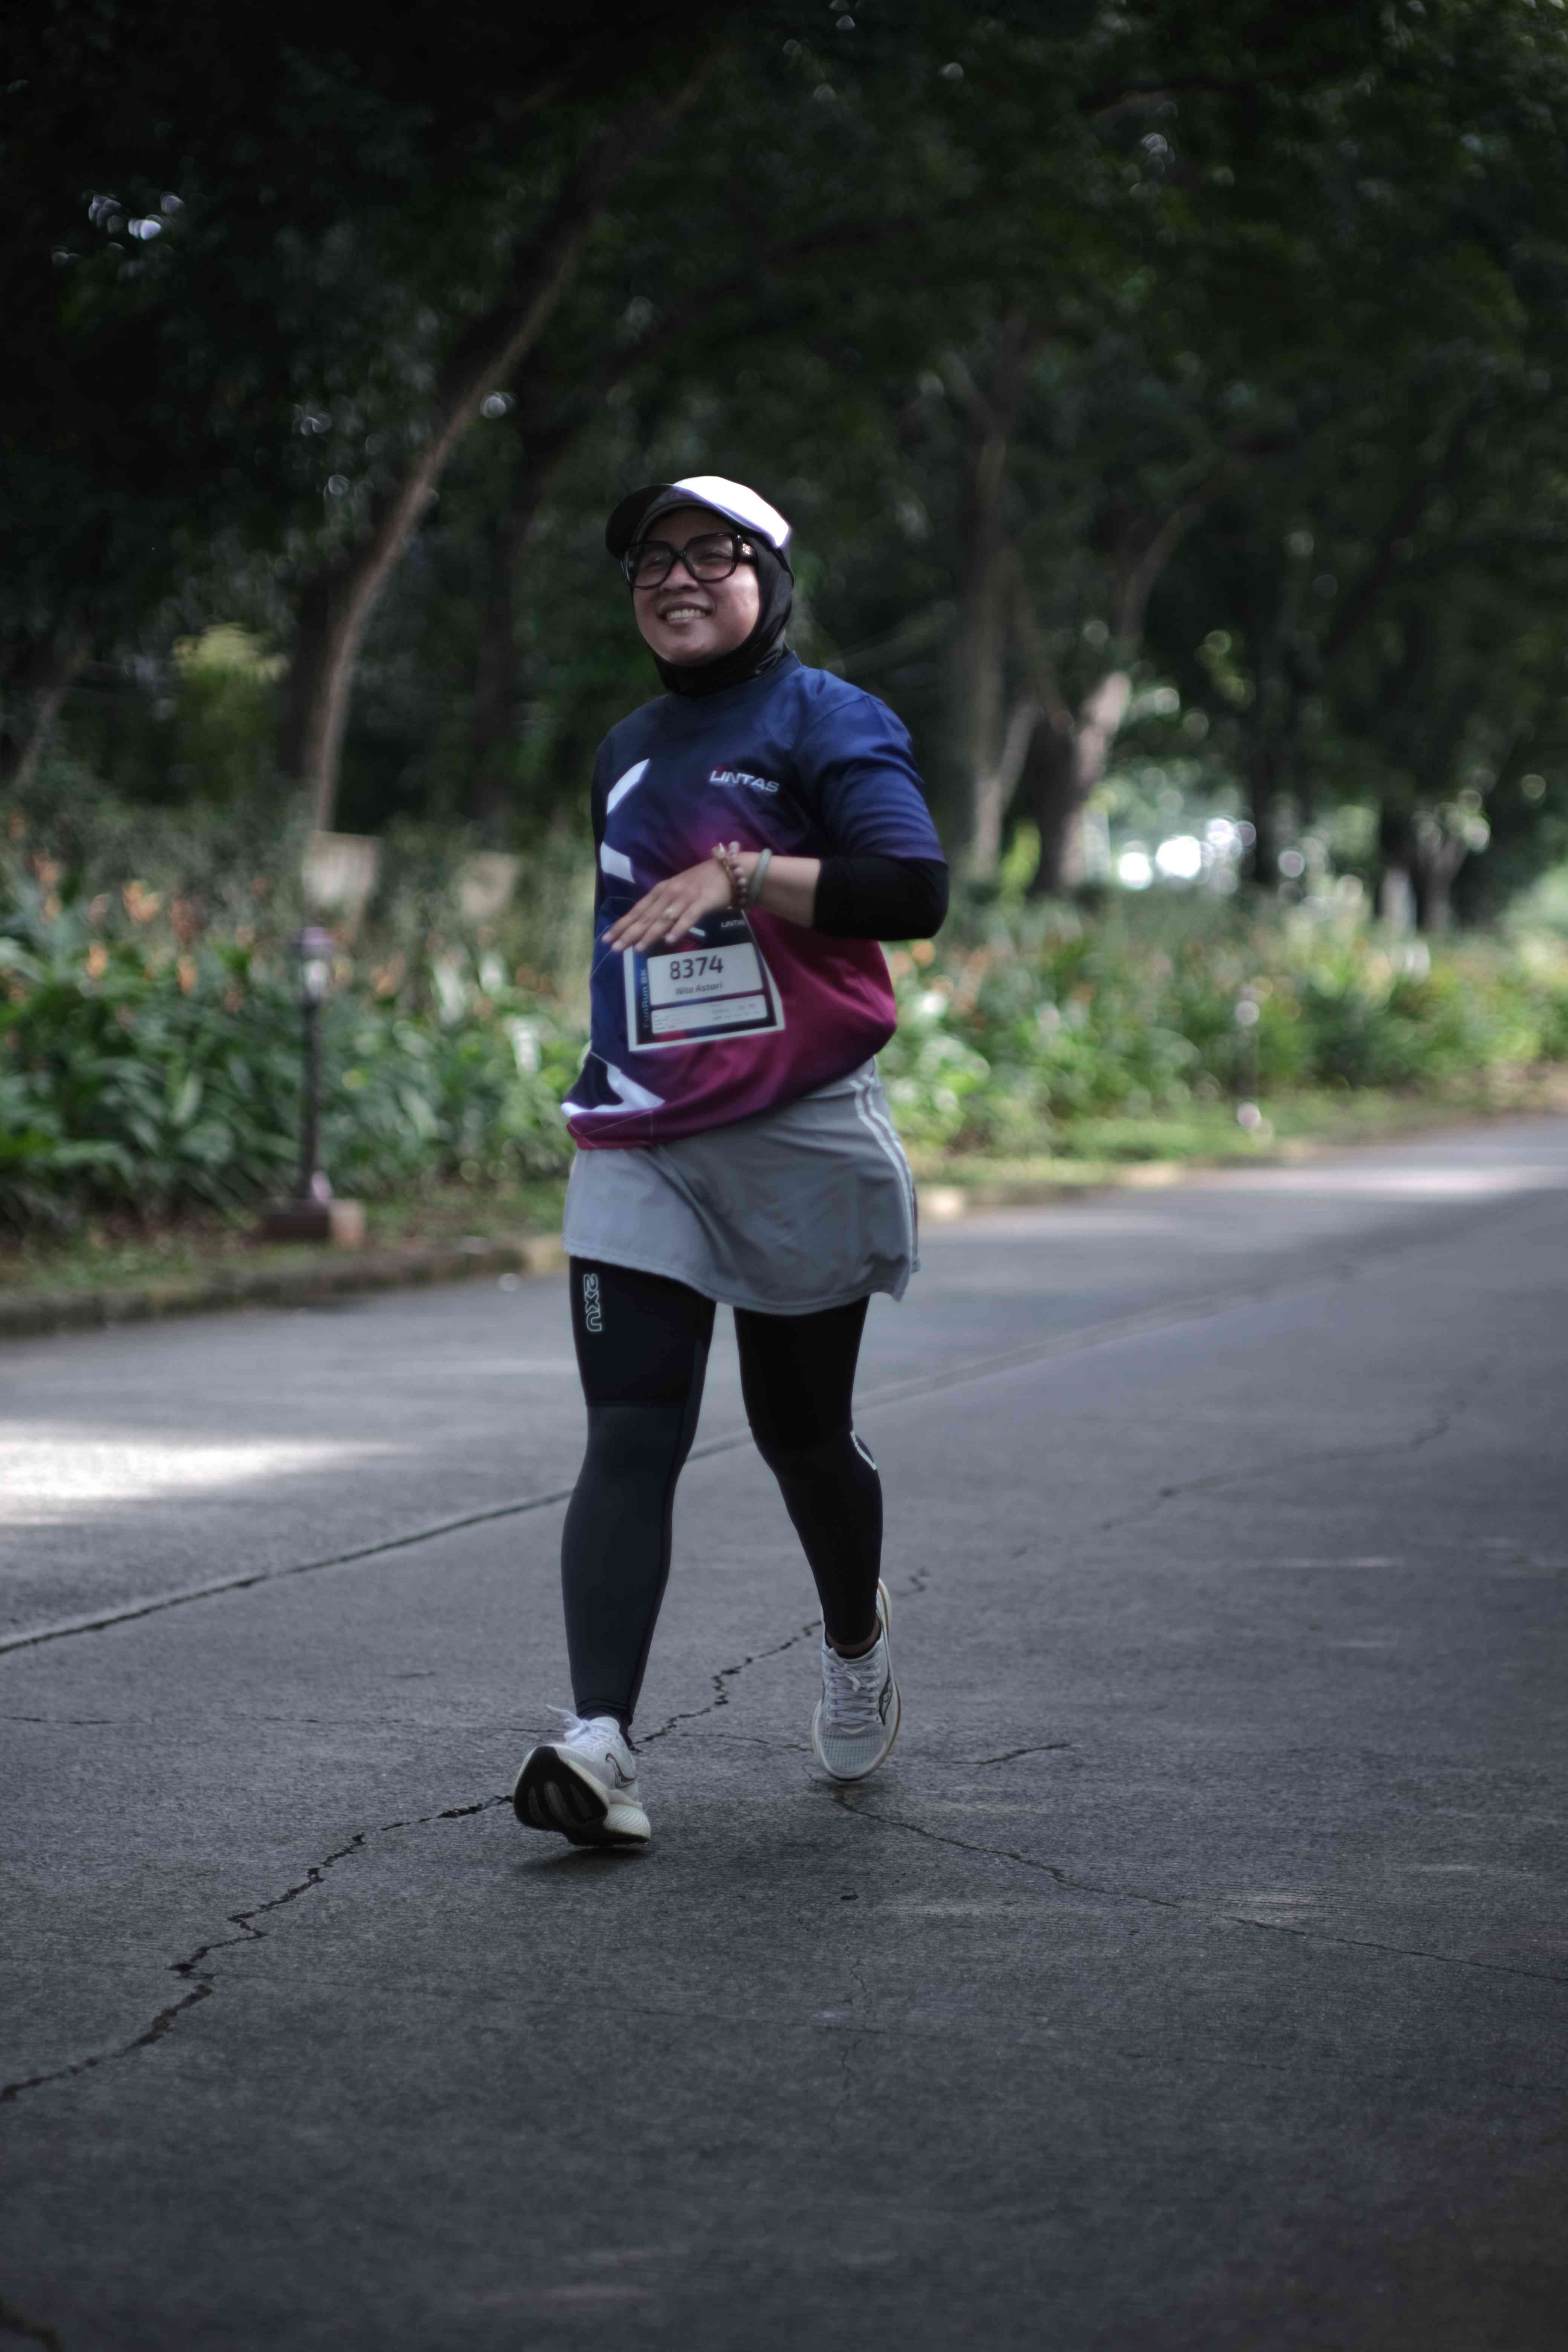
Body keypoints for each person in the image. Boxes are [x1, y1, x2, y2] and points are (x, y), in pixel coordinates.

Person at [512, 475, 948, 1849]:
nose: (678, 578)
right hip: (641, 1128)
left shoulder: (828, 718)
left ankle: (855, 1634)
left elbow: (912, 889)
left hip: (797, 1121)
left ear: (772, 581)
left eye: (715, 554)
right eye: (653, 560)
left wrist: (747, 875)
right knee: (632, 1429)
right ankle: (599, 1743)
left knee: (798, 1433)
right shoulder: (627, 747)